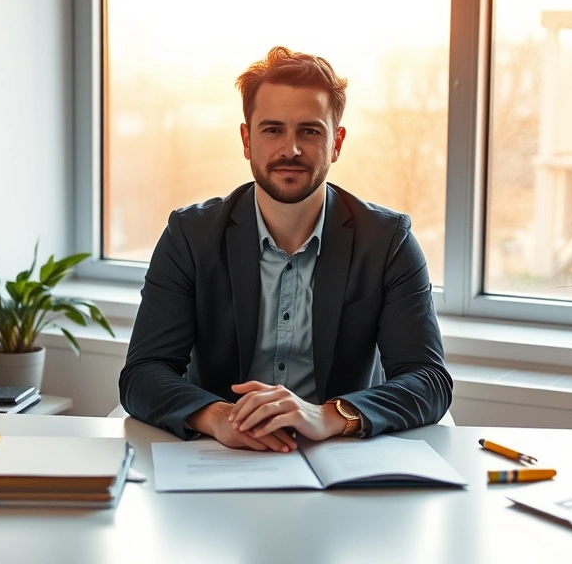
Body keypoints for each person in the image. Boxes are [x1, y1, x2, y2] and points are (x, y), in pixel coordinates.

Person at [118, 46, 452, 452]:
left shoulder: (388, 241)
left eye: (309, 131)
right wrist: (219, 417)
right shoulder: (190, 236)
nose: (290, 149)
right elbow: (143, 373)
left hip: (340, 455)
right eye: (272, 130)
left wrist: (327, 415)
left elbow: (428, 381)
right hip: (221, 454)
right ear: (246, 139)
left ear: (336, 143)